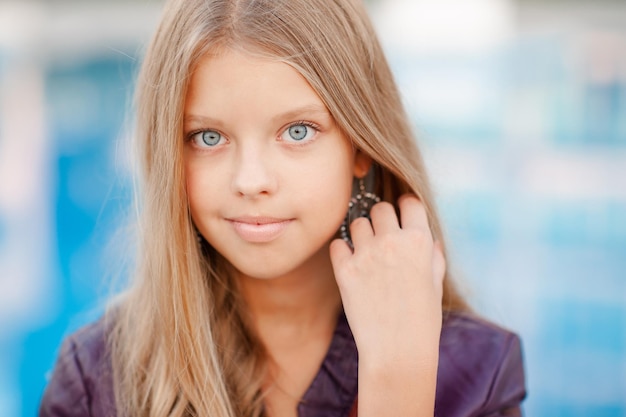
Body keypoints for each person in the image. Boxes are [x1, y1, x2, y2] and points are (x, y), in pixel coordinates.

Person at [39, 0, 526, 416]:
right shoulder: (97, 379)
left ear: (360, 146)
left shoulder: (478, 369)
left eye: (297, 132)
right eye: (208, 138)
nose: (251, 181)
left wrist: (398, 381)